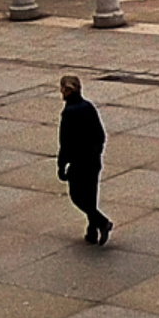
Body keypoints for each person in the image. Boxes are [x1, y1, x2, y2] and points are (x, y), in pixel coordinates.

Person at [56, 76, 112, 245]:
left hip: (78, 161)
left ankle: (101, 222)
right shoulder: (89, 107)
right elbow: (100, 134)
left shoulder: (69, 112)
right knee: (90, 195)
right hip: (93, 159)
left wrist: (61, 165)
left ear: (67, 91)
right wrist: (97, 152)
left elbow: (65, 142)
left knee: (77, 196)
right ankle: (92, 230)